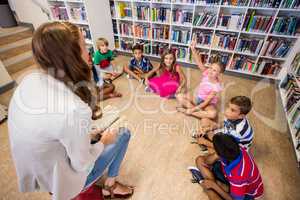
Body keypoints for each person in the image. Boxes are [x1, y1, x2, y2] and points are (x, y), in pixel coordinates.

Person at [8, 22, 134, 200]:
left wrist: (87, 136)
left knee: (96, 132)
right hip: (65, 182)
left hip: (43, 176)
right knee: (124, 133)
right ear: (70, 55)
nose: (89, 51)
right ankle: (110, 186)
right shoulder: (73, 109)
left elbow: (51, 132)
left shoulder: (28, 81)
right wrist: (103, 142)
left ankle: (109, 184)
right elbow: (82, 162)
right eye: (84, 46)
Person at [189, 134, 264, 200]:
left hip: (245, 195)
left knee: (210, 191)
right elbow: (207, 161)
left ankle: (208, 183)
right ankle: (213, 183)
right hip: (230, 177)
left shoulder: (239, 177)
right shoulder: (235, 148)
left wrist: (214, 186)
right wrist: (212, 150)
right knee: (199, 160)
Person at [176, 36, 224, 120]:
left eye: (214, 71)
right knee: (179, 96)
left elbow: (206, 102)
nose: (211, 71)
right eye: (211, 68)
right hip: (198, 98)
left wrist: (191, 110)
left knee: (213, 114)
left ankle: (190, 112)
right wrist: (193, 49)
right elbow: (199, 62)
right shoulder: (206, 73)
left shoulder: (216, 87)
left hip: (207, 104)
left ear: (219, 74)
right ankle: (199, 113)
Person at [195, 96, 254, 163]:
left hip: (234, 150)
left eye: (232, 110)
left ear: (241, 116)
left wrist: (205, 142)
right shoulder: (232, 117)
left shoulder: (238, 131)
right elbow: (223, 124)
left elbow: (225, 149)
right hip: (227, 136)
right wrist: (208, 129)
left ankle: (209, 150)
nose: (227, 111)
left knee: (214, 156)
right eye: (228, 107)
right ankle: (207, 143)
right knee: (204, 120)